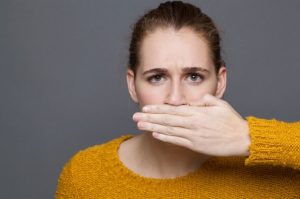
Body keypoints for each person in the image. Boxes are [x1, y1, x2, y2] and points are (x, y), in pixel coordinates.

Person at [55, 1, 300, 198]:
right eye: (157, 77)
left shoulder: (273, 180)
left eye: (193, 77)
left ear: (220, 82)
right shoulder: (85, 178)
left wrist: (249, 137)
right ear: (132, 84)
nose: (175, 99)